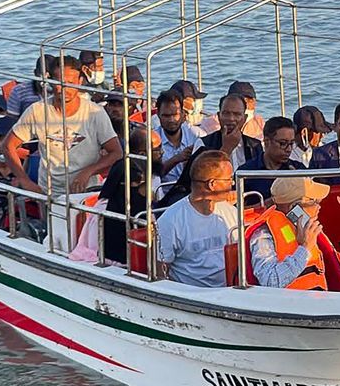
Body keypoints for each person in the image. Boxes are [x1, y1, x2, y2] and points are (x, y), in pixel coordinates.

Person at [2, 56, 122, 196]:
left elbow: (116, 152)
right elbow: (8, 146)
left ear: (80, 82)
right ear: (51, 82)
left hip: (86, 191)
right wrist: (25, 180)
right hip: (50, 192)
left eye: (71, 83)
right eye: (59, 83)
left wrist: (89, 171)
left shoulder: (94, 112)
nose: (65, 89)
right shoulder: (37, 111)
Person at [157, 94, 263, 209]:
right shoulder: (203, 143)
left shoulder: (254, 145)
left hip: (247, 201)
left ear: (244, 118)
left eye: (237, 114)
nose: (231, 119)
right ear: (219, 116)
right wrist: (227, 148)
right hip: (211, 203)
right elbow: (195, 181)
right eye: (226, 113)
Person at [246, 176, 340, 290]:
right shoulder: (264, 235)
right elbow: (270, 281)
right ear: (294, 207)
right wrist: (305, 249)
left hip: (318, 300)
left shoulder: (307, 226)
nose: (319, 206)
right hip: (289, 305)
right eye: (314, 201)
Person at [156, 150, 238, 288]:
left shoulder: (231, 212)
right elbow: (160, 272)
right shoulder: (170, 221)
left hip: (230, 293)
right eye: (229, 179)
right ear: (212, 184)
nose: (233, 183)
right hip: (191, 298)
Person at [99, 128, 160, 265]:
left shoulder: (148, 175)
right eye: (158, 150)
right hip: (117, 259)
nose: (162, 154)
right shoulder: (126, 172)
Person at [237, 116, 305, 204]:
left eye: (291, 143)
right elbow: (234, 211)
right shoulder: (246, 172)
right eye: (283, 143)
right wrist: (267, 204)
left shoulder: (298, 170)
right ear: (266, 141)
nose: (288, 149)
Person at [152, 89, 200, 185]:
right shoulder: (153, 140)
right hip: (164, 195)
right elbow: (153, 176)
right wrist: (177, 159)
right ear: (158, 115)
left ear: (182, 114)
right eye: (166, 116)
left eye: (175, 115)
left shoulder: (196, 135)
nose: (171, 120)